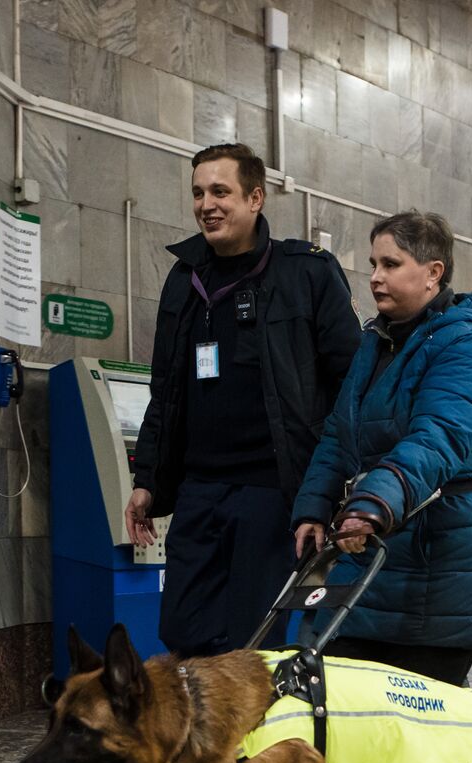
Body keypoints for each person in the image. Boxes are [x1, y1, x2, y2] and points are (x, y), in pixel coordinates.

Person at [291, 209, 472, 763]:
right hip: (381, 550)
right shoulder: (378, 341)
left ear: (433, 271)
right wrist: (312, 506)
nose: (374, 276)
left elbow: (437, 439)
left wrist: (372, 504)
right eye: (372, 263)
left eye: (389, 264)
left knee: (427, 728)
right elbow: (339, 434)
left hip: (445, 559)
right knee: (356, 715)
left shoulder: (466, 345)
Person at [127, 143, 362, 657]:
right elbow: (165, 391)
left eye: (220, 191)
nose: (206, 204)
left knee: (255, 641)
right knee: (184, 629)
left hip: (271, 492)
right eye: (197, 193)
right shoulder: (184, 280)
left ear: (256, 198)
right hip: (200, 490)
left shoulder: (307, 273)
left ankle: (259, 738)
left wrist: (327, 494)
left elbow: (352, 387)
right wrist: (148, 479)